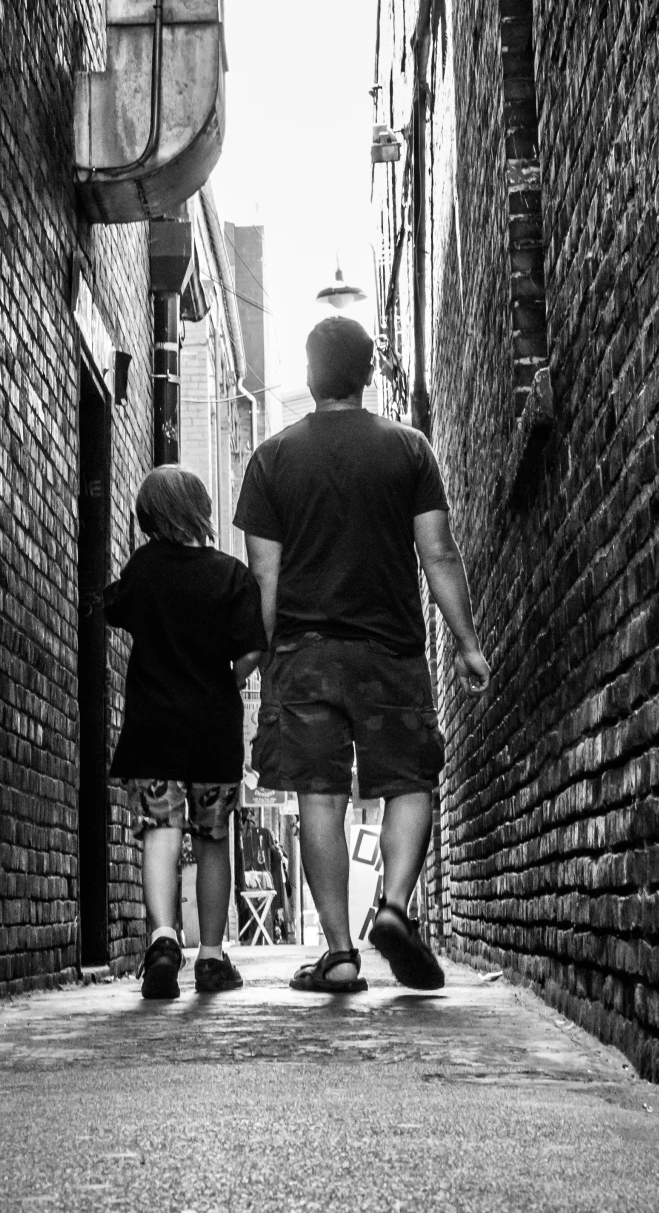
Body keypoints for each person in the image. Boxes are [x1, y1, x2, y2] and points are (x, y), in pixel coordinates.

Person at [234, 315, 491, 993]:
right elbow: (437, 552)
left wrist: (249, 659)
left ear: (312, 374)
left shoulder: (271, 458)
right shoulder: (408, 449)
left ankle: (341, 953)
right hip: (390, 649)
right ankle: (395, 906)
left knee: (319, 793)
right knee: (409, 778)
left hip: (303, 653)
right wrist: (465, 643)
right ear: (368, 373)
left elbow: (264, 577)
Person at [102, 464, 269, 998]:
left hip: (154, 729)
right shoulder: (231, 574)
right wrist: (223, 675)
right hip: (213, 730)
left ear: (149, 516)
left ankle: (163, 938)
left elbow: (112, 606)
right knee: (214, 838)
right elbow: (251, 653)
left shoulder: (145, 567)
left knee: (161, 831)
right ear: (201, 509)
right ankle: (213, 957)